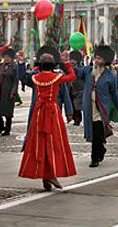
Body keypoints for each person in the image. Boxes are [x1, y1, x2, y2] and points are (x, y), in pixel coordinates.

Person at [19, 51, 77, 191]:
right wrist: (66, 63)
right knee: (54, 143)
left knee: (39, 144)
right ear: (53, 65)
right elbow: (72, 76)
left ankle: (45, 176)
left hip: (38, 114)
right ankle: (51, 175)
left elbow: (22, 77)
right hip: (52, 114)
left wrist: (21, 62)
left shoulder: (35, 77)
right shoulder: (56, 78)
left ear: (40, 65)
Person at [74, 45, 118, 168]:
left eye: (99, 58)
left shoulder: (110, 76)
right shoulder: (87, 71)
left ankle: (94, 158)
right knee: (94, 132)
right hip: (89, 108)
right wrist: (67, 63)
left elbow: (115, 93)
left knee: (97, 132)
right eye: (95, 58)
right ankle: (101, 149)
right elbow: (75, 72)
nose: (96, 61)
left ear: (105, 60)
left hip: (101, 109)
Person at [0, 48, 19, 136]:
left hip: (8, 92)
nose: (6, 59)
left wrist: (13, 92)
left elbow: (15, 81)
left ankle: (7, 129)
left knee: (7, 112)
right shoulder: (0, 66)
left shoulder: (14, 67)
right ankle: (1, 127)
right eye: (5, 57)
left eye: (8, 57)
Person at [68, 51, 85, 126]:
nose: (72, 61)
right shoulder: (67, 68)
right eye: (71, 59)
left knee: (78, 105)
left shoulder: (81, 69)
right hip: (71, 89)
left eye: (73, 60)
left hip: (80, 89)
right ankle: (76, 119)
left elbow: (79, 73)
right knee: (73, 106)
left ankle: (79, 119)